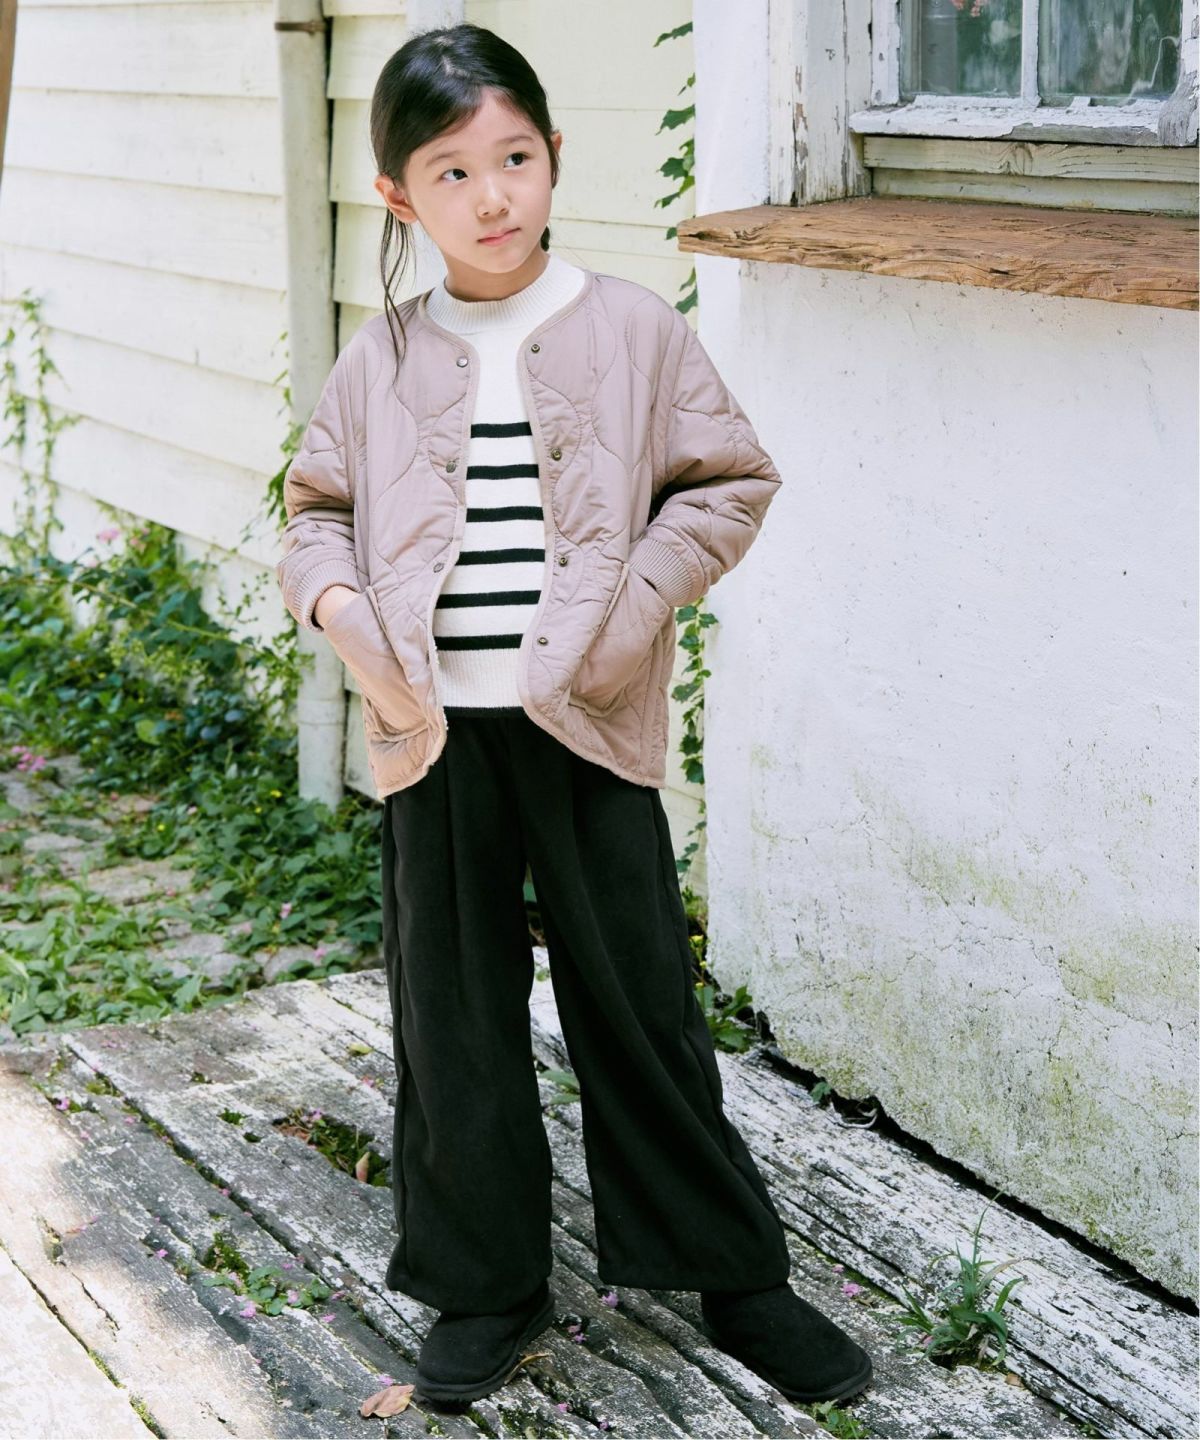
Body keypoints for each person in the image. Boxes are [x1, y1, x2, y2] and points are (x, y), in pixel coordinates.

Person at [276, 20, 873, 1411]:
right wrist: (346, 619)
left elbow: (727, 483)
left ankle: (733, 1274)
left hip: (586, 724)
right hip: (431, 735)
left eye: (514, 158)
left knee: (639, 1000)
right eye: (451, 171)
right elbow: (314, 514)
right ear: (399, 198)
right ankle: (487, 1285)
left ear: (552, 157)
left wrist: (634, 606)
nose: (491, 196)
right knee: (452, 1013)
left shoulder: (631, 331)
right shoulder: (382, 359)